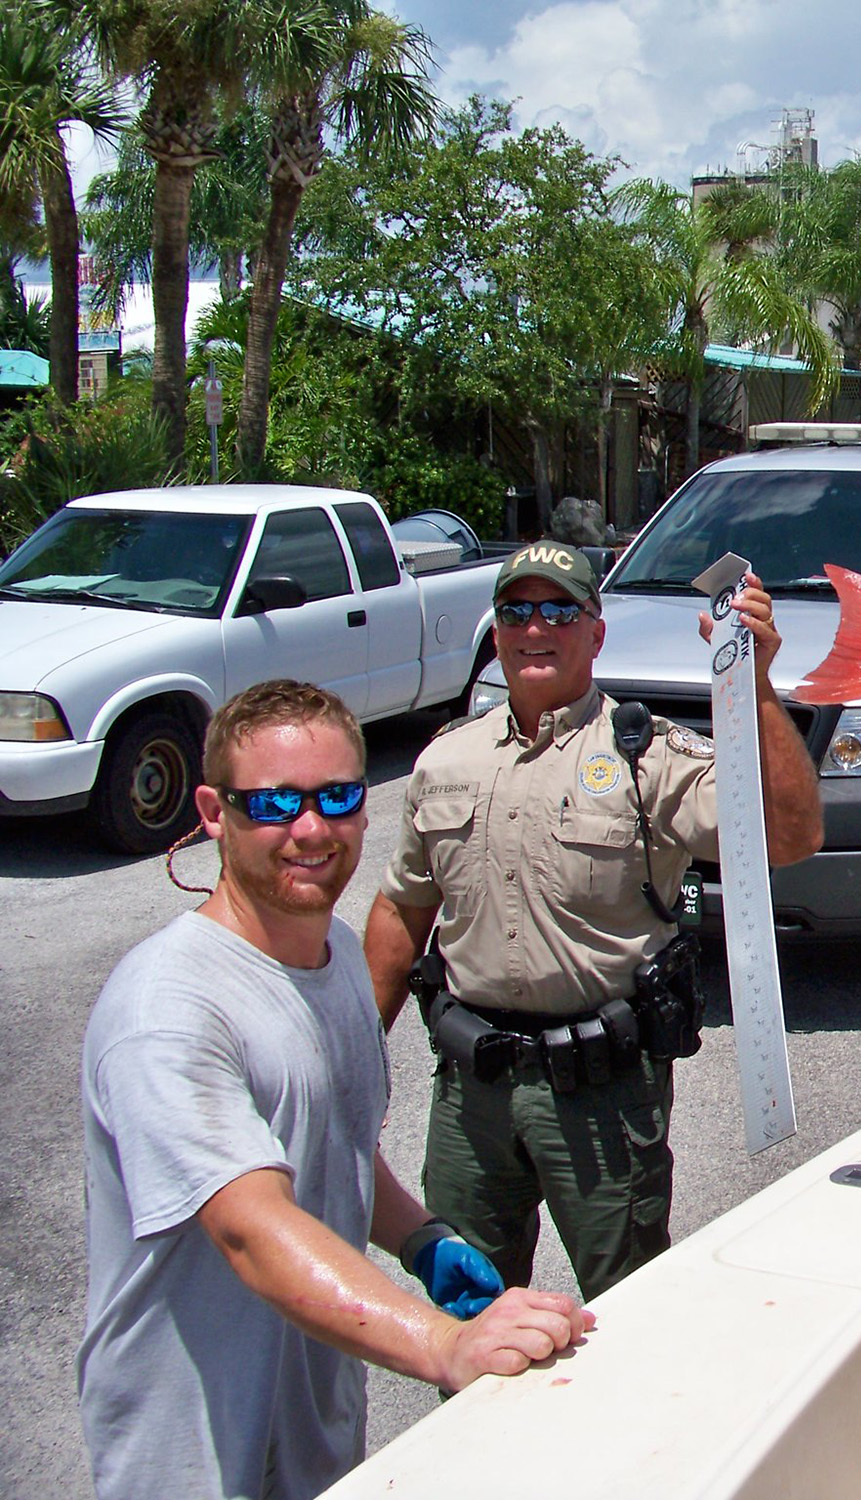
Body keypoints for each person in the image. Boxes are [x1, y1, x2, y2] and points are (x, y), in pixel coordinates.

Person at [79, 680, 593, 1500]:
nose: (310, 829)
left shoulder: (341, 964)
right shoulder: (169, 1011)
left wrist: (422, 1237)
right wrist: (442, 1346)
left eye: (336, 797)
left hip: (318, 1434)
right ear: (214, 812)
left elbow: (333, 1140)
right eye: (275, 803)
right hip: (191, 1456)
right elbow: (249, 1226)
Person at [363, 542, 822, 1301]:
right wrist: (351, 1061)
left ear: (595, 631)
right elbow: (402, 910)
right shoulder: (447, 759)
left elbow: (792, 835)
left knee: (627, 1314)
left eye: (558, 610)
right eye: (516, 610)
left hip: (600, 1099)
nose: (535, 627)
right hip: (469, 1096)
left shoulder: (649, 759)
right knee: (464, 1312)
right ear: (498, 629)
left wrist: (756, 686)